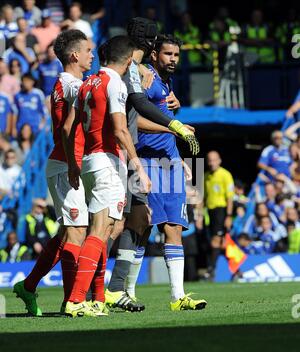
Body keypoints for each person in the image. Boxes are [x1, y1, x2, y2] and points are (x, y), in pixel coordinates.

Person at [105, 19, 200, 312]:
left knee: (174, 226)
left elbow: (160, 111)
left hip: (171, 162)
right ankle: (123, 290)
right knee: (139, 224)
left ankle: (177, 297)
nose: (173, 60)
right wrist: (174, 127)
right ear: (154, 53)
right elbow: (137, 120)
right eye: (168, 54)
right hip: (145, 159)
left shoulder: (162, 83)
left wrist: (178, 156)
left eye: (177, 55)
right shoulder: (140, 77)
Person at [64, 35, 151, 317]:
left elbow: (70, 127)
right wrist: (138, 166)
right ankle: (77, 300)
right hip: (106, 161)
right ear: (128, 61)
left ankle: (98, 298)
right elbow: (120, 129)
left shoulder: (88, 83)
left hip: (88, 160)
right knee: (101, 231)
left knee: (107, 229)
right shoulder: (115, 83)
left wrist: (73, 163)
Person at [13, 29, 95, 317]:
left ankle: (29, 285)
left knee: (66, 234)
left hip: (68, 164)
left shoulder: (72, 83)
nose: (92, 55)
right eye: (88, 50)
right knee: (77, 232)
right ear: (75, 55)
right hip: (65, 165)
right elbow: (64, 127)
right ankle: (74, 301)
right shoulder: (69, 83)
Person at [204, 151, 234, 280]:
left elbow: (230, 198)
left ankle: (210, 270)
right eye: (209, 160)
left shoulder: (225, 174)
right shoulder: (205, 176)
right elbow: (203, 198)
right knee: (220, 242)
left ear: (219, 160)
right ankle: (237, 270)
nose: (212, 163)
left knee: (216, 240)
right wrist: (200, 214)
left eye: (214, 160)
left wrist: (228, 215)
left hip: (221, 210)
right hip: (209, 212)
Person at [12, 72, 47, 137]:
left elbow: (44, 112)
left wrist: (42, 126)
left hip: (35, 128)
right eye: (24, 81)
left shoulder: (38, 94)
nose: (26, 83)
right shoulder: (17, 95)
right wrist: (14, 128)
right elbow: (15, 113)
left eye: (28, 81)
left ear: (32, 82)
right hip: (21, 128)